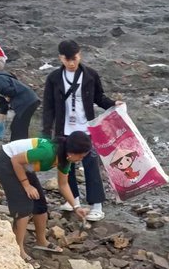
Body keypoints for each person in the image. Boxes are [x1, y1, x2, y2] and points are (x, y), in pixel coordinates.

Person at [40, 40, 122, 223]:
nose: (71, 63)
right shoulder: (53, 78)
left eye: (74, 58)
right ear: (60, 57)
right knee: (65, 165)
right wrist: (46, 132)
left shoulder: (90, 75)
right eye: (67, 59)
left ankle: (97, 206)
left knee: (91, 164)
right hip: (64, 130)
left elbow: (99, 97)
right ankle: (73, 200)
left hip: (86, 129)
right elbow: (48, 107)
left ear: (80, 54)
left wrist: (112, 103)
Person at [0, 131, 91, 262]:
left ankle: (41, 241)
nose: (81, 160)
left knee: (41, 205)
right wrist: (26, 185)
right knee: (23, 207)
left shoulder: (65, 159)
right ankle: (18, 249)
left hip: (24, 166)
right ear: (72, 152)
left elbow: (63, 185)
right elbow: (15, 160)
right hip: (6, 161)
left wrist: (76, 207)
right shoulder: (48, 152)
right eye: (81, 156)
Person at [0, 70, 40, 141]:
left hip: (27, 101)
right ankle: (18, 147)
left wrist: (8, 96)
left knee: (18, 127)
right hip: (29, 101)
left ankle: (17, 148)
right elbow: (3, 103)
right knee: (18, 127)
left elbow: (10, 91)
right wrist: (1, 121)